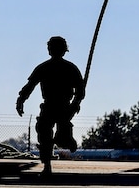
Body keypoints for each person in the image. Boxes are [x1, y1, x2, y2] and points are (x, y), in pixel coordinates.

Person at [16, 36, 86, 179]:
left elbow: (80, 91)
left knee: (61, 140)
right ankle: (47, 166)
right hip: (49, 106)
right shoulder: (45, 68)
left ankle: (67, 140)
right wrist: (21, 99)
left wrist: (75, 104)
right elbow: (30, 85)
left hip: (64, 108)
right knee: (44, 135)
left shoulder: (69, 69)